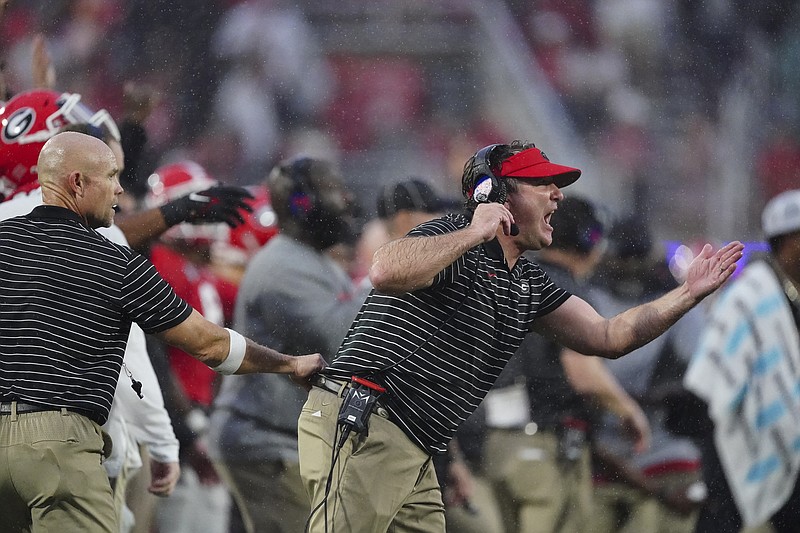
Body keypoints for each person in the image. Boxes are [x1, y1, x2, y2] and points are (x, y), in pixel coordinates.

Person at [296, 140, 744, 532]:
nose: (558, 195)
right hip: (368, 422)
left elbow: (610, 335)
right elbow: (385, 269)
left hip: (415, 443)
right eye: (542, 184)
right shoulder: (452, 233)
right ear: (496, 195)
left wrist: (686, 295)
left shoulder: (527, 282)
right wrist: (475, 228)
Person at [0, 131, 325, 533]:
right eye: (111, 176)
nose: (120, 188)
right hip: (59, 445)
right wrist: (289, 364)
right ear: (77, 183)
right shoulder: (114, 260)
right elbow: (209, 344)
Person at [207, 156, 367, 533]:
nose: (345, 199)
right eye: (332, 189)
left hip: (282, 437)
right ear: (301, 203)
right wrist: (387, 281)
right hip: (265, 442)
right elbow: (342, 339)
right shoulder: (280, 266)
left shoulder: (312, 260)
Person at [482, 196, 651, 533]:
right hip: (545, 446)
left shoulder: (515, 276)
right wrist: (628, 410)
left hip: (497, 446)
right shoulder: (564, 290)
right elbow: (582, 372)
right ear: (589, 239)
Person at [684, 189, 800, 533]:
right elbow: (714, 377)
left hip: (785, 441)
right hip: (736, 433)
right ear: (788, 241)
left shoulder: (790, 293)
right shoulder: (751, 294)